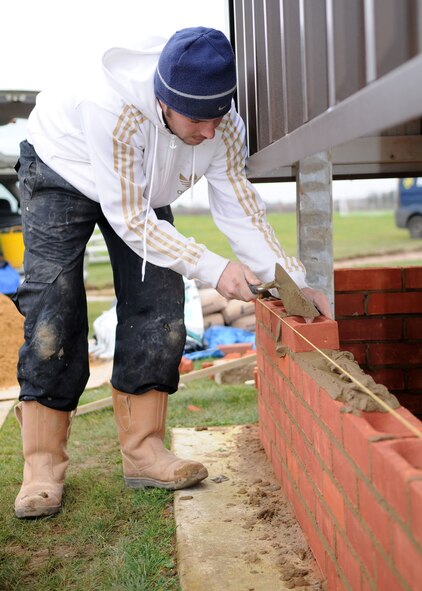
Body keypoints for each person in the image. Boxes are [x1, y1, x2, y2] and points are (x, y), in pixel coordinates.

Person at [13, 27, 331, 519]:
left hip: (142, 187)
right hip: (63, 167)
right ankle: (42, 466)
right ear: (162, 100)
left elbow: (240, 206)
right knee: (54, 307)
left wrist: (292, 279)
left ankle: (144, 451)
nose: (208, 131)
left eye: (217, 116)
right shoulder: (111, 109)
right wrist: (213, 267)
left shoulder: (219, 124)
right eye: (197, 119)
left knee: (160, 305)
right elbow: (131, 220)